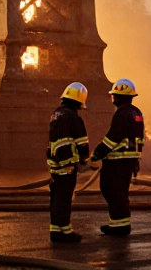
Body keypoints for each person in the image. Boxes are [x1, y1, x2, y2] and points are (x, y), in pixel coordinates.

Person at [89, 78, 144, 237]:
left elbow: (113, 138)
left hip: (117, 162)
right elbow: (139, 139)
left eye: (114, 95)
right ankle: (119, 225)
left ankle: (119, 227)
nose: (113, 98)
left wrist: (98, 153)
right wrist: (136, 160)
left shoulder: (122, 113)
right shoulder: (137, 113)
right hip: (128, 161)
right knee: (120, 193)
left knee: (111, 191)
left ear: (119, 97)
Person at [47, 82, 90, 243]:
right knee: (65, 198)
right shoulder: (74, 118)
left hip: (55, 163)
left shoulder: (55, 115)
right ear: (79, 101)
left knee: (56, 197)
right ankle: (66, 231)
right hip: (68, 165)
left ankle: (55, 230)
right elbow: (82, 143)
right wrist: (85, 161)